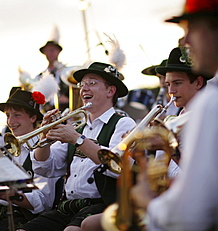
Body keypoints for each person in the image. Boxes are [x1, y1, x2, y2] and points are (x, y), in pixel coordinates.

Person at [130, 0, 218, 230]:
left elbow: (192, 214)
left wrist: (149, 203)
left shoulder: (215, 101)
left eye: (194, 29)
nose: (186, 40)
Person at [80, 46, 209, 231]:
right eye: (168, 84)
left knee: (91, 225)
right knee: (90, 224)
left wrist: (169, 148)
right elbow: (155, 172)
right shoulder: (177, 117)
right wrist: (138, 151)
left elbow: (197, 174)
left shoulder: (206, 117)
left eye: (178, 83)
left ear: (197, 82)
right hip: (165, 195)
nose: (171, 91)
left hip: (189, 199)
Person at [17, 62, 136, 231]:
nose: (84, 89)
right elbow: (46, 169)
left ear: (111, 91)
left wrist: (77, 140)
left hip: (102, 205)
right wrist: (45, 139)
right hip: (68, 208)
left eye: (92, 83)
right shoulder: (78, 128)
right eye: (82, 84)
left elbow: (117, 166)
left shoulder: (123, 123)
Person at [0, 87, 61, 231]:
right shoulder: (10, 149)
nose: (10, 122)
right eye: (8, 115)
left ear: (33, 118)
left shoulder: (45, 149)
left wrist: (6, 194)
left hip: (24, 219)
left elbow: (43, 201)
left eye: (17, 115)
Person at [37, 37, 69, 112]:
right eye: (47, 51)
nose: (50, 53)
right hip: (47, 111)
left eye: (52, 50)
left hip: (66, 111)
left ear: (58, 52)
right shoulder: (40, 76)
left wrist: (67, 98)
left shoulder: (66, 72)